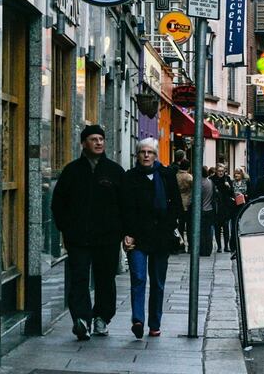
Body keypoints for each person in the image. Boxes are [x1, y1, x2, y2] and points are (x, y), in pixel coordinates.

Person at [51, 124, 126, 340]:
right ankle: (81, 319)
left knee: (105, 279)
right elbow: (58, 204)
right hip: (79, 239)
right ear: (83, 143)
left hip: (107, 238)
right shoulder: (72, 171)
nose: (99, 143)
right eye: (93, 139)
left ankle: (102, 317)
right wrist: (66, 229)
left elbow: (125, 205)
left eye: (101, 139)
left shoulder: (114, 171)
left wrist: (123, 232)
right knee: (79, 278)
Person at [121, 138, 182, 339]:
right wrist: (126, 234)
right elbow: (124, 209)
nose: (146, 155)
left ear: (156, 155)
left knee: (157, 282)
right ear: (137, 155)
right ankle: (137, 320)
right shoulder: (130, 177)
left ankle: (154, 324)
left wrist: (171, 226)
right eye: (142, 152)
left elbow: (176, 207)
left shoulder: (166, 175)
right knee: (138, 278)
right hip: (137, 237)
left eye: (150, 152)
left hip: (160, 238)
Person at [210, 164, 235, 253]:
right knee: (217, 227)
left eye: (222, 171)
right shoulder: (212, 179)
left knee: (226, 228)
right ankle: (219, 247)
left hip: (226, 206)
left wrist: (228, 186)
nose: (221, 173)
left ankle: (226, 246)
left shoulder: (227, 179)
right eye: (219, 171)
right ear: (216, 171)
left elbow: (232, 193)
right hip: (216, 207)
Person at [175, 161, 194, 253]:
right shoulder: (189, 177)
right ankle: (190, 247)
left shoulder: (176, 176)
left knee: (180, 227)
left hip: (178, 204)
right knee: (190, 227)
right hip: (188, 204)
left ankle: (180, 246)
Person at [198, 166, 216, 256]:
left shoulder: (199, 183)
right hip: (210, 209)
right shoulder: (210, 182)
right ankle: (208, 249)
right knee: (208, 231)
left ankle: (202, 249)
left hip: (202, 210)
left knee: (201, 232)